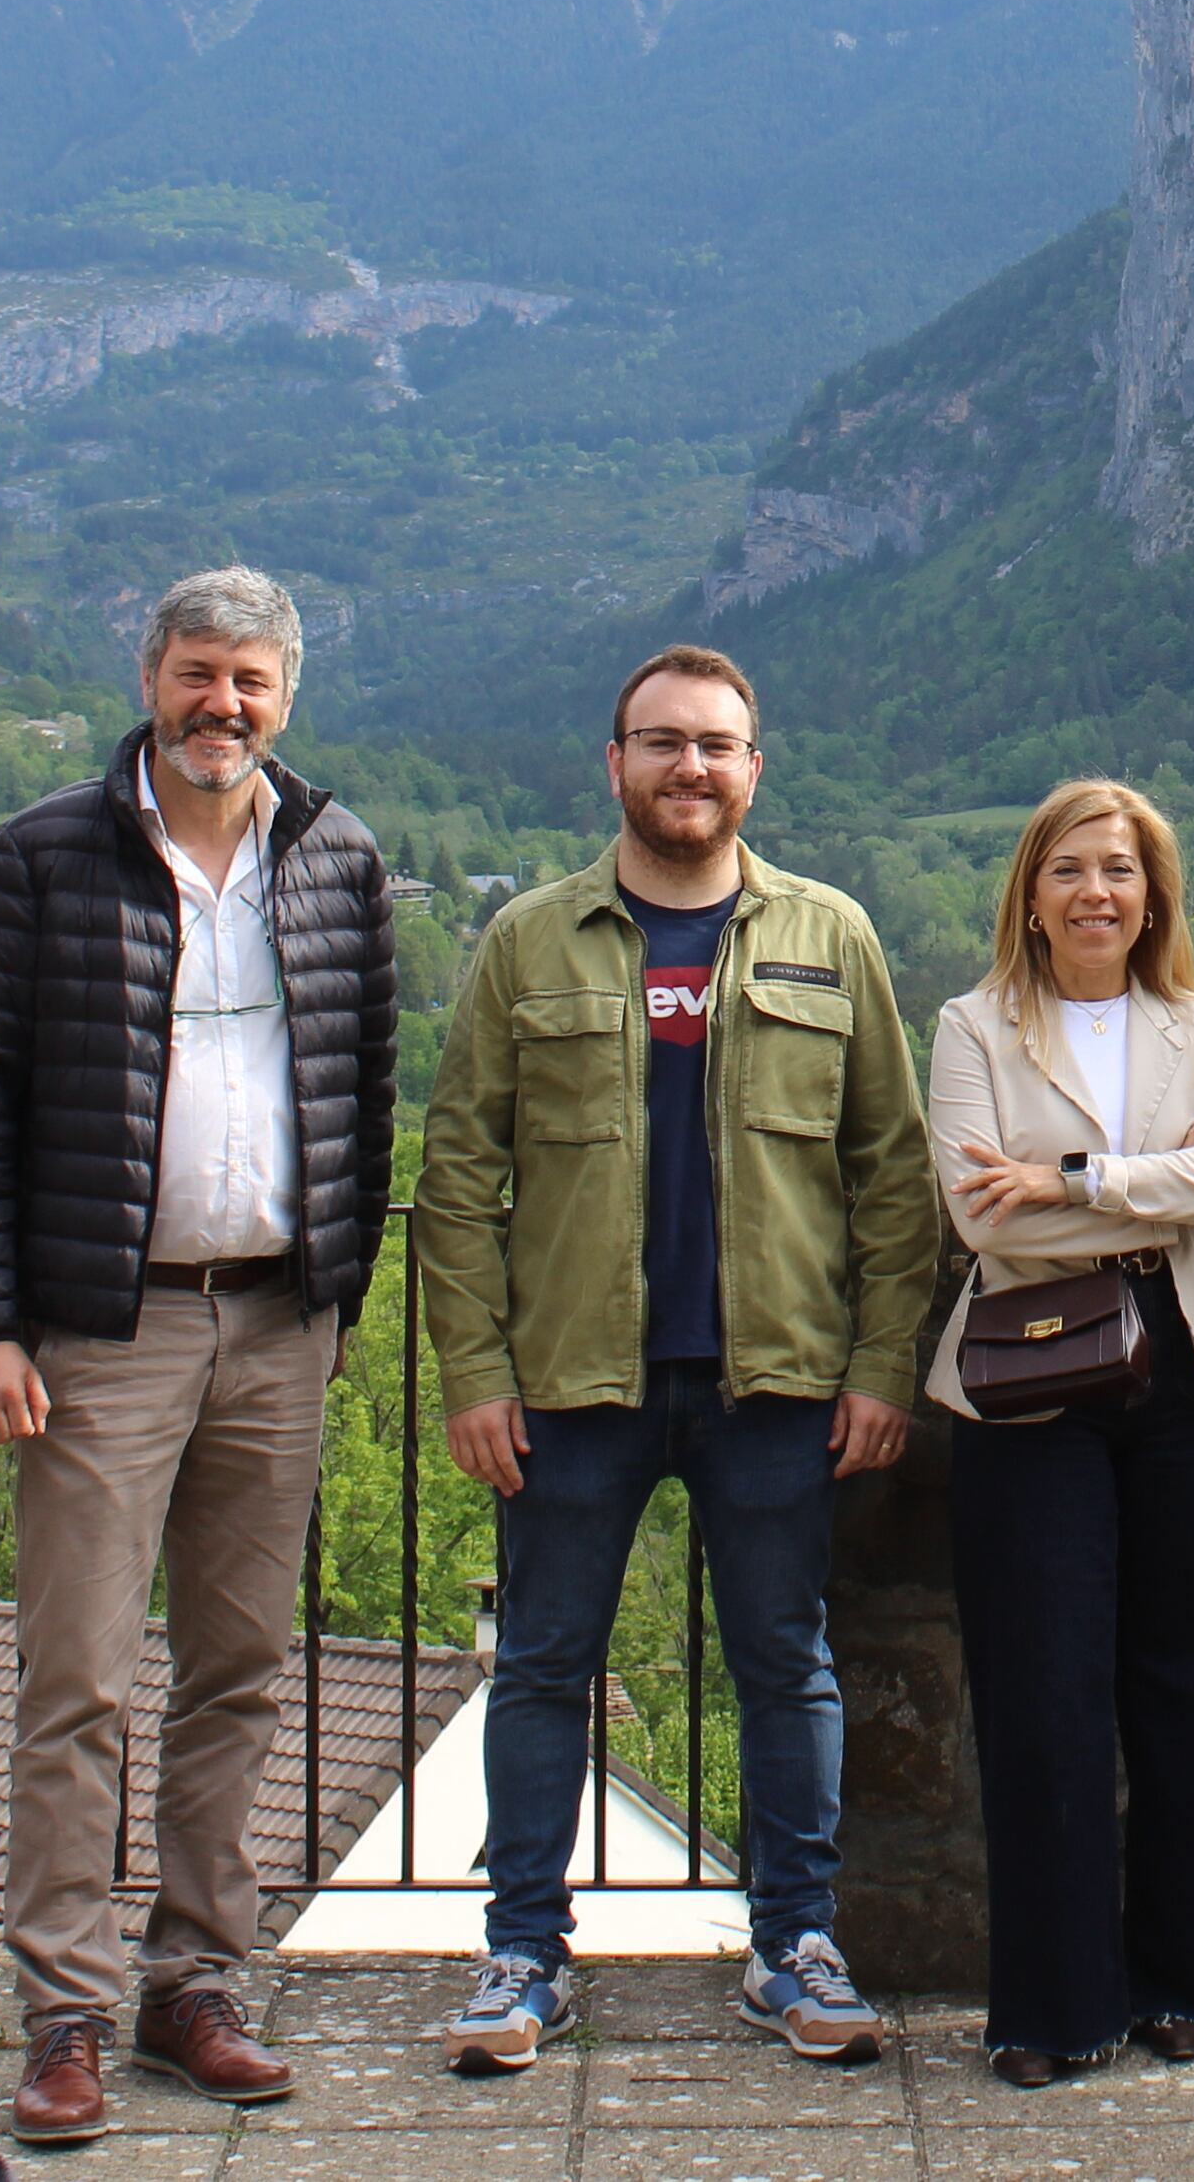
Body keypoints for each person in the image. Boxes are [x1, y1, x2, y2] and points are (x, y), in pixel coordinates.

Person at [0, 568, 398, 2143]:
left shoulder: (337, 858)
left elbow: (368, 1091)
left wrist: (340, 1303)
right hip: (100, 1331)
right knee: (80, 1679)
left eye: (251, 681)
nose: (223, 706)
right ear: (150, 673)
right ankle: (62, 2006)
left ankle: (194, 1982)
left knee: (244, 1670)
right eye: (199, 674)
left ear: (287, 695)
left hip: (279, 1317)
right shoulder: (42, 857)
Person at [413, 644, 934, 2076]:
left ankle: (796, 1945)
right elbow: (458, 1175)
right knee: (541, 1666)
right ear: (616, 763)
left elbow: (895, 1175)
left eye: (716, 743)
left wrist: (883, 1362)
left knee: (787, 1663)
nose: (690, 766)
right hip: (574, 1386)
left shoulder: (834, 938)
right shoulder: (528, 939)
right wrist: (473, 1371)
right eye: (663, 741)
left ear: (754, 767)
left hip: (779, 1381)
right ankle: (522, 1953)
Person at [927, 781, 1194, 2085]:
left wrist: (1073, 1180)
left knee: (1191, 1681)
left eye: (1119, 870)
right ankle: (1054, 2006)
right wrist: (1156, 1192)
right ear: (1031, 889)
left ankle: (1192, 1985)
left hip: (1184, 1370)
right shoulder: (974, 1025)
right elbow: (980, 1219)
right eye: (1070, 868)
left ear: (1151, 894)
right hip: (1030, 1383)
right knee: (1045, 1690)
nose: (1095, 892)